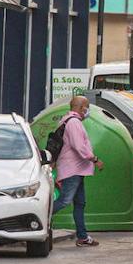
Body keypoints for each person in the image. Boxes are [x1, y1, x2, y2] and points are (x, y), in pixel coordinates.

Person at [54, 95, 103, 247]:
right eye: (86, 107)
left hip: (78, 169)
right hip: (73, 169)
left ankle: (82, 236)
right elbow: (78, 146)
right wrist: (94, 159)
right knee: (65, 200)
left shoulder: (67, 120)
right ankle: (36, 217)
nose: (87, 110)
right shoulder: (74, 122)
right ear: (81, 108)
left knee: (80, 203)